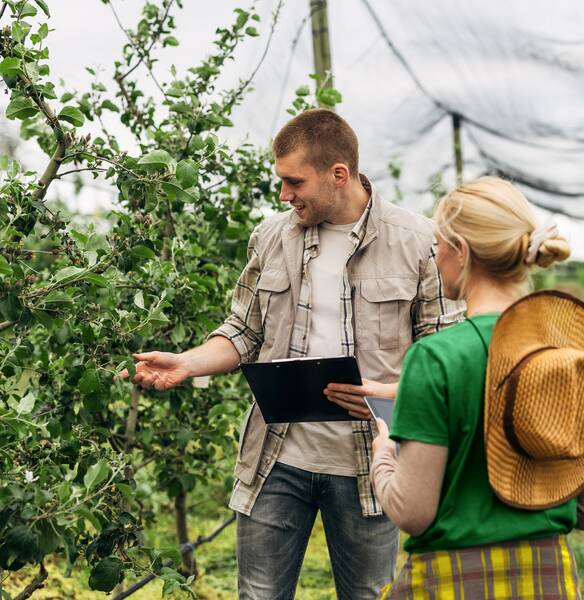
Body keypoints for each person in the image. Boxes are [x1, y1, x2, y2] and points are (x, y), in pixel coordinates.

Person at [123, 109, 464, 599]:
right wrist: (187, 363)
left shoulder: (419, 242)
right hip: (277, 457)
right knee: (259, 595)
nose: (284, 195)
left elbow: (441, 354)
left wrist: (387, 394)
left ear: (338, 174)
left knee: (369, 594)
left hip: (372, 461)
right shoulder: (271, 236)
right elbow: (243, 331)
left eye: (293, 182)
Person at [370, 176, 584, 598]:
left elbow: (413, 512)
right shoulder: (576, 352)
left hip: (452, 581)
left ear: (462, 251)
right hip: (549, 580)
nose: (434, 256)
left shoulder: (435, 359)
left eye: (437, 244)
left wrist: (382, 458)